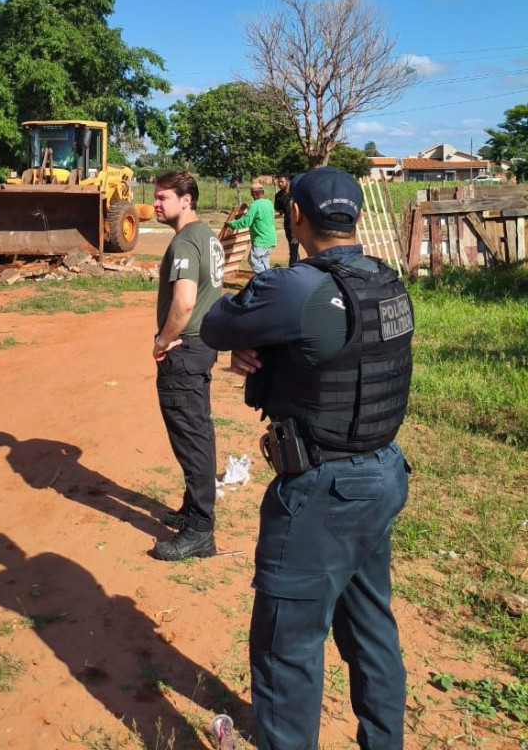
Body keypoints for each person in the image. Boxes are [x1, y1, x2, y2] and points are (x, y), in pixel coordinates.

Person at [200, 166, 414, 750]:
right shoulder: (387, 282)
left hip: (323, 491)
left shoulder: (297, 286)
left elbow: (217, 322)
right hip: (382, 474)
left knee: (285, 649)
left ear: (295, 217)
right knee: (371, 630)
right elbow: (344, 354)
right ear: (356, 217)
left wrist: (256, 339)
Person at [151, 170, 225, 561]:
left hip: (184, 349)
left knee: (191, 436)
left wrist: (163, 341)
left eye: (163, 198)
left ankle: (200, 529)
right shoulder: (208, 237)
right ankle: (192, 509)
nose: (156, 204)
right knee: (199, 429)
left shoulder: (185, 242)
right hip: (203, 346)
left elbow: (184, 302)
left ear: (186, 200)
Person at [227, 182, 277, 274]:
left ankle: (264, 280)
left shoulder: (255, 205)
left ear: (254, 194)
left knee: (253, 260)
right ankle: (270, 281)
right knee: (264, 262)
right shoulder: (269, 203)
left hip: (261, 239)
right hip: (271, 239)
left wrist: (232, 224)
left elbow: (247, 221)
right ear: (263, 192)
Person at [274, 174, 299, 267]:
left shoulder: (296, 193)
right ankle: (296, 267)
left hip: (299, 225)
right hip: (288, 225)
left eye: (282, 181)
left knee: (294, 248)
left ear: (288, 181)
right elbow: (279, 212)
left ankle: (292, 268)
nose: (280, 184)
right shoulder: (278, 196)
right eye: (278, 182)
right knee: (293, 249)